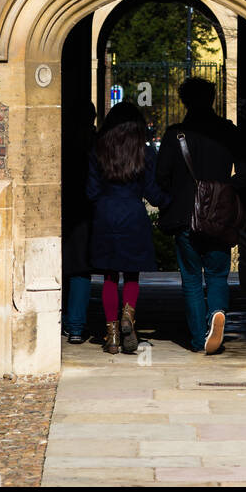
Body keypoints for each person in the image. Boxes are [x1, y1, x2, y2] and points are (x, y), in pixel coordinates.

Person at [156, 77, 246, 355]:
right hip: (219, 215)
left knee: (193, 280)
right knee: (218, 275)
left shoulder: (175, 134)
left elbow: (160, 177)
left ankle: (199, 338)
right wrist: (223, 190)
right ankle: (217, 312)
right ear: (212, 98)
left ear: (185, 101)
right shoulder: (228, 131)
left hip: (186, 216)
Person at [86, 102, 170, 355]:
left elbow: (90, 191)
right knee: (132, 275)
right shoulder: (144, 153)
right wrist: (174, 202)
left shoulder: (97, 150)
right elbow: (154, 194)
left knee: (109, 277)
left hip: (105, 213)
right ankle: (128, 316)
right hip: (133, 214)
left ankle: (111, 335)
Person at [61, 99, 97, 344]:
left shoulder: (62, 140)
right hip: (87, 209)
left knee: (66, 266)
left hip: (64, 207)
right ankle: (75, 326)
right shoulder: (95, 143)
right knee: (81, 269)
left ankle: (67, 321)